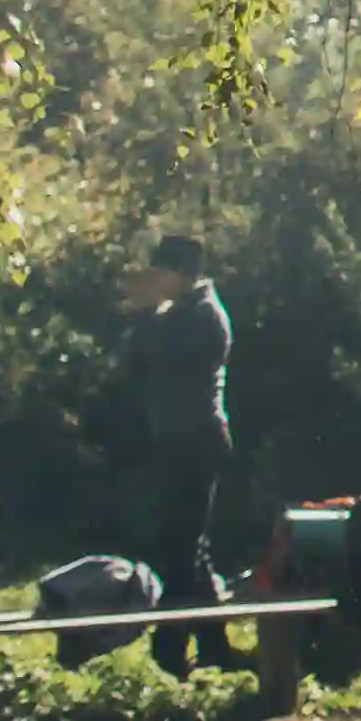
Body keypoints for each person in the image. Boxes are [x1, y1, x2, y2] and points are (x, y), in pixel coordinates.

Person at [116, 233, 234, 668]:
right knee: (188, 547)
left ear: (184, 274)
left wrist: (146, 314)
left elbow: (163, 355)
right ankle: (215, 647)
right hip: (174, 441)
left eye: (162, 272)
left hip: (197, 441)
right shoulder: (174, 314)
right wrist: (146, 316)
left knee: (179, 548)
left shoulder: (204, 317)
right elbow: (133, 364)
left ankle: (169, 650)